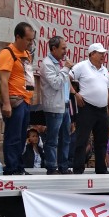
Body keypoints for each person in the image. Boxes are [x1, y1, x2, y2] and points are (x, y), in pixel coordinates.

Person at [69, 43, 109, 174]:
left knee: (102, 141)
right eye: (100, 53)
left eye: (103, 53)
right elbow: (66, 78)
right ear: (92, 54)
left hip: (102, 110)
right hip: (87, 108)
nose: (103, 55)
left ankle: (101, 169)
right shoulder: (81, 66)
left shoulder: (105, 70)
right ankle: (78, 168)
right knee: (82, 139)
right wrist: (75, 94)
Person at [0, 21, 36, 176]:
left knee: (21, 135)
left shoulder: (26, 54)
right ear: (18, 37)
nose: (30, 43)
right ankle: (11, 167)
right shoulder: (7, 53)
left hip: (25, 100)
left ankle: (19, 166)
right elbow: (3, 80)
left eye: (32, 40)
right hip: (14, 100)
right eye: (28, 39)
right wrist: (6, 104)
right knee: (13, 135)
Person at [39, 35, 74, 175]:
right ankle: (51, 167)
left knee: (66, 138)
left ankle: (63, 166)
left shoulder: (60, 63)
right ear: (54, 48)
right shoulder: (47, 63)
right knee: (53, 139)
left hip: (65, 105)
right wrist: (66, 69)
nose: (66, 51)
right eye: (63, 48)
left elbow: (65, 84)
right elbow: (55, 83)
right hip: (54, 107)